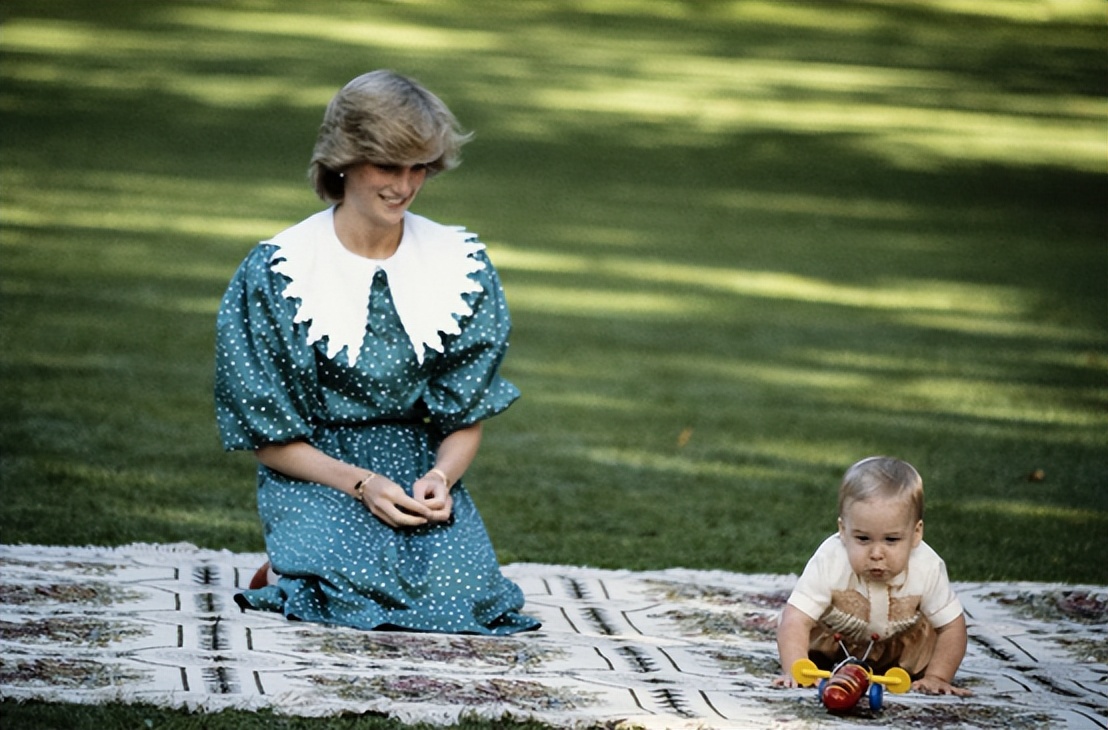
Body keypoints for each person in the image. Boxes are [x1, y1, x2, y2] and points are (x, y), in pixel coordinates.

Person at [214, 70, 540, 635]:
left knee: (471, 600)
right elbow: (269, 439)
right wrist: (361, 484)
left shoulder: (459, 265)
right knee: (355, 595)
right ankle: (296, 569)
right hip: (317, 470)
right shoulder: (277, 271)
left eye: (420, 168)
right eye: (389, 166)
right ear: (342, 160)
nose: (405, 185)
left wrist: (441, 477)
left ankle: (302, 571)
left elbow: (465, 414)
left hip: (414, 468)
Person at [774, 456, 971, 695]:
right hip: (835, 643)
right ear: (843, 531)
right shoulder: (830, 559)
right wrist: (796, 668)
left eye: (891, 540)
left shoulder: (926, 566)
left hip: (901, 649)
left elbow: (952, 626)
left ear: (916, 533)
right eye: (863, 539)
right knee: (798, 634)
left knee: (929, 642)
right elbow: (796, 618)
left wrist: (938, 676)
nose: (877, 553)